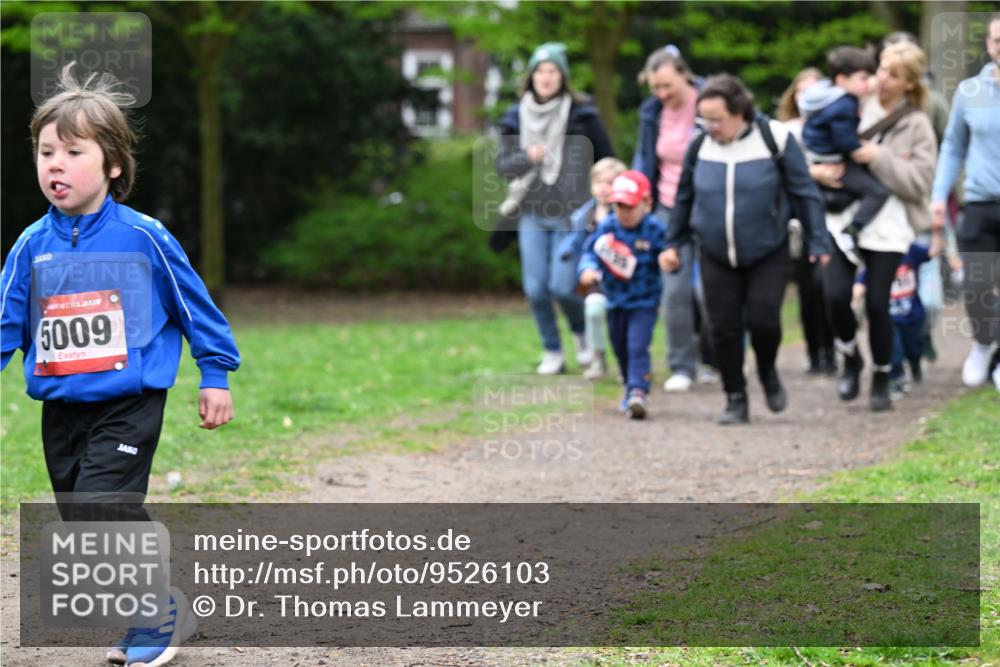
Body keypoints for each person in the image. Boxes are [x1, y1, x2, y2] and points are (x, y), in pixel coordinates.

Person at [0, 63, 240, 666]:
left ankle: (156, 621)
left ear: (112, 165)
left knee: (104, 504)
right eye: (45, 151)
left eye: (72, 151)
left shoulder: (145, 237)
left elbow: (196, 308)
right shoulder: (32, 245)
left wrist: (214, 373)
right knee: (82, 520)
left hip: (129, 403)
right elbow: (5, 321)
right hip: (61, 408)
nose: (54, 163)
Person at [662, 74, 830, 424]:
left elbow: (804, 193)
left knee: (764, 321)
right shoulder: (700, 145)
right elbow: (683, 197)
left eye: (717, 119)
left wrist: (817, 239)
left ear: (740, 112)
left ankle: (767, 371)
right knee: (721, 327)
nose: (710, 127)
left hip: (768, 250)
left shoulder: (775, 139)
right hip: (714, 252)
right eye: (703, 119)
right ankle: (735, 396)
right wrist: (673, 242)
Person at [817, 41, 938, 411]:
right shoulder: (849, 104)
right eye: (882, 69)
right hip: (842, 219)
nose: (883, 79)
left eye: (894, 75)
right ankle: (850, 356)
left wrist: (880, 157)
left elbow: (920, 181)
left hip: (890, 224)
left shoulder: (917, 124)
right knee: (835, 295)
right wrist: (817, 172)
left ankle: (883, 374)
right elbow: (813, 146)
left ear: (910, 84)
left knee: (877, 303)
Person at [496, 42, 615, 375]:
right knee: (535, 288)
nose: (546, 77)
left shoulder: (583, 114)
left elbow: (606, 158)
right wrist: (527, 157)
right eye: (540, 71)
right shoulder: (514, 116)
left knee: (563, 287)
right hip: (531, 211)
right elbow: (501, 166)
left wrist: (604, 196)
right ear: (531, 76)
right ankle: (552, 350)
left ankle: (584, 339)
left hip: (571, 213)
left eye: (552, 71)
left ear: (562, 77)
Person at [633, 45, 714, 393]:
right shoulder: (652, 112)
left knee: (710, 290)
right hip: (669, 208)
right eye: (656, 88)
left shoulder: (711, 102)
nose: (663, 94)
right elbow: (644, 158)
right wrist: (638, 197)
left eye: (668, 85)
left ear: (685, 74)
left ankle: (715, 358)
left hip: (712, 205)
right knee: (675, 289)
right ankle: (682, 365)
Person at [930, 13, 1000, 392]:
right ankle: (983, 343)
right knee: (975, 286)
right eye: (997, 40)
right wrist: (939, 194)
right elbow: (953, 146)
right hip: (980, 204)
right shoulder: (969, 92)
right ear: (989, 45)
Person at [578, 171, 668, 419]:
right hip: (615, 301)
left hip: (645, 302)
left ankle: (639, 391)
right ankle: (630, 387)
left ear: (646, 204)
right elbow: (590, 252)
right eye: (619, 206)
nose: (624, 212)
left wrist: (669, 258)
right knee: (620, 346)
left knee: (637, 345)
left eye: (630, 206)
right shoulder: (608, 227)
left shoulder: (655, 229)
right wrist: (587, 269)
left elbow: (670, 250)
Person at [777, 67, 838, 375]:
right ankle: (815, 351)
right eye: (802, 90)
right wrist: (814, 173)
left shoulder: (838, 127)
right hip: (798, 220)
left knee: (829, 286)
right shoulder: (783, 132)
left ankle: (833, 348)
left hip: (834, 213)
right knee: (807, 288)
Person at [800, 46, 890, 236]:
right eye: (863, 78)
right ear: (842, 80)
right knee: (878, 192)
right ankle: (852, 231)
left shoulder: (825, 95)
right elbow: (844, 141)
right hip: (832, 160)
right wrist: (862, 148)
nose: (868, 84)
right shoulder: (845, 103)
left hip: (817, 154)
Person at [557, 157, 628, 380]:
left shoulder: (626, 214)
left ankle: (627, 362)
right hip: (596, 278)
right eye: (599, 183)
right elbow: (575, 238)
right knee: (594, 312)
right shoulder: (585, 214)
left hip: (624, 280)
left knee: (623, 321)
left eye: (610, 183)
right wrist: (567, 252)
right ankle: (598, 357)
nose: (605, 189)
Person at [854, 238, 941, 399]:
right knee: (894, 351)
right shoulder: (876, 256)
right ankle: (896, 379)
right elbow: (863, 277)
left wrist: (938, 230)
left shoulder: (911, 250)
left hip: (913, 315)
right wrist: (858, 291)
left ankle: (915, 362)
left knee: (914, 349)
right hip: (889, 317)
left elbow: (933, 251)